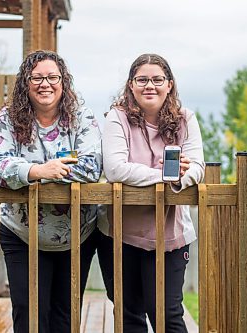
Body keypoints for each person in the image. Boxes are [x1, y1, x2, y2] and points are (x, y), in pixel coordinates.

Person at [0, 50, 102, 333]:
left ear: (64, 82)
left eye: (52, 77)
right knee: (28, 313)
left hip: (77, 234)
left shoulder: (81, 117)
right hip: (21, 233)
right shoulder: (8, 118)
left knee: (65, 315)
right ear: (26, 82)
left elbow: (92, 166)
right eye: (36, 77)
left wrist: (35, 171)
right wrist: (38, 171)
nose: (45, 83)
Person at [97, 53, 205, 332]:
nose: (150, 86)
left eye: (157, 79)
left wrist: (182, 177)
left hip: (170, 236)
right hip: (119, 234)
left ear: (169, 84)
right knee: (129, 316)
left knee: (167, 316)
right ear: (131, 85)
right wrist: (164, 176)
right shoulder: (116, 117)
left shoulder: (185, 119)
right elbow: (116, 170)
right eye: (142, 79)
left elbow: (197, 166)